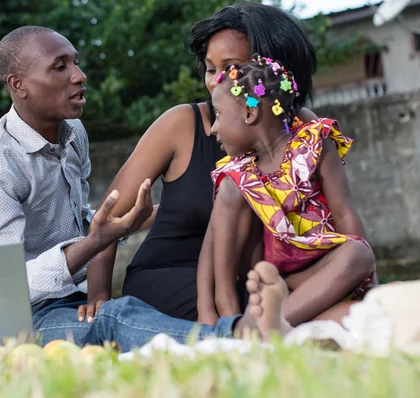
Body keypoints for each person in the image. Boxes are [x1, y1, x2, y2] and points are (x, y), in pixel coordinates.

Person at [0, 25, 292, 351]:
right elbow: (1, 288)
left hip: (74, 299)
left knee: (123, 313)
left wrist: (148, 218)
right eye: (60, 67)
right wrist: (96, 241)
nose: (79, 76)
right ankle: (238, 338)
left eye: (75, 62)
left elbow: (80, 223)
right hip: (27, 320)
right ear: (18, 85)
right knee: (114, 318)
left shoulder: (73, 134)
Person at [83, 3, 319, 322]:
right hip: (169, 279)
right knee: (284, 309)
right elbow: (108, 218)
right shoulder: (182, 124)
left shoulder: (303, 130)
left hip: (259, 278)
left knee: (330, 294)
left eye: (231, 68)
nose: (215, 83)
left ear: (273, 70)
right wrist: (99, 299)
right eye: (210, 69)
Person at [196, 55, 376, 327]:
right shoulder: (237, 175)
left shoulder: (314, 144)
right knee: (232, 189)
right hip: (275, 280)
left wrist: (363, 280)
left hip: (323, 274)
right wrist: (207, 309)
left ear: (249, 113)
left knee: (359, 254)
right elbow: (212, 247)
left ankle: (270, 326)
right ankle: (248, 321)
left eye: (218, 115)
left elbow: (346, 214)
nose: (213, 128)